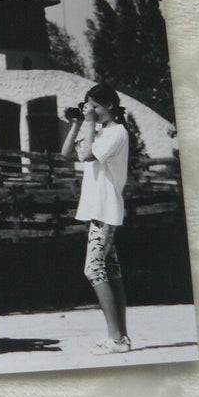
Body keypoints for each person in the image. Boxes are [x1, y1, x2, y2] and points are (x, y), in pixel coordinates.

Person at [61, 83, 131, 355]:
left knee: (93, 269)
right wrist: (77, 124)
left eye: (95, 106)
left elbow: (89, 154)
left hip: (105, 209)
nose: (91, 110)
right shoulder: (101, 132)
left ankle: (115, 338)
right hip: (99, 210)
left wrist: (89, 123)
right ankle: (121, 337)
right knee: (111, 272)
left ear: (109, 106)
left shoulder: (116, 133)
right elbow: (69, 154)